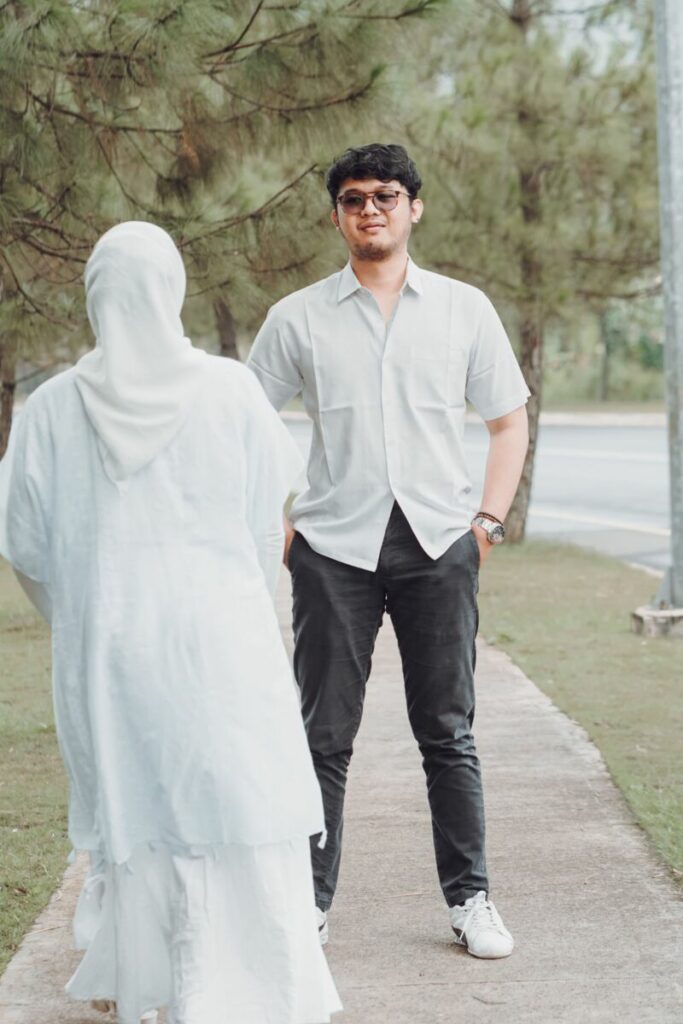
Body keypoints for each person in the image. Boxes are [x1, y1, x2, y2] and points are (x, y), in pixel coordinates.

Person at [0, 222, 341, 1024]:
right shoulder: (229, 391)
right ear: (172, 290)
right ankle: (243, 993)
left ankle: (159, 991)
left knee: (143, 815)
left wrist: (84, 617)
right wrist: (244, 605)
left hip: (111, 652)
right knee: (236, 810)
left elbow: (27, 549)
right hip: (222, 643)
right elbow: (262, 524)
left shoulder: (52, 409)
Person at [246, 143, 530, 960]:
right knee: (323, 736)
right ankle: (306, 904)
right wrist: (280, 528)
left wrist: (486, 525)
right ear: (336, 214)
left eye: (384, 195)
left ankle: (470, 899)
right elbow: (243, 426)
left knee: (447, 731)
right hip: (332, 550)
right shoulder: (296, 317)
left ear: (413, 207)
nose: (369, 209)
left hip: (439, 544)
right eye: (352, 198)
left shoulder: (464, 309)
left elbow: (507, 419)